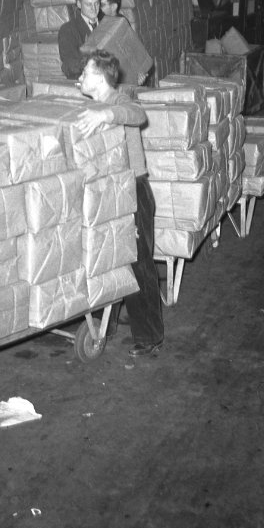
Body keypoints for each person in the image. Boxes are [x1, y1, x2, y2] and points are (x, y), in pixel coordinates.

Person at [75, 50, 163, 357]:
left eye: (85, 73)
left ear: (99, 77)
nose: (80, 79)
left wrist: (106, 114)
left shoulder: (120, 100)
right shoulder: (90, 106)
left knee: (138, 264)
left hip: (133, 192)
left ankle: (149, 336)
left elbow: (137, 114)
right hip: (107, 193)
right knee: (104, 258)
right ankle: (104, 324)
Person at [58, 0, 102, 80]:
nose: (93, 8)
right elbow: (69, 65)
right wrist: (97, 64)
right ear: (79, 4)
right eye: (88, 4)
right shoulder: (68, 29)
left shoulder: (108, 24)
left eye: (96, 3)